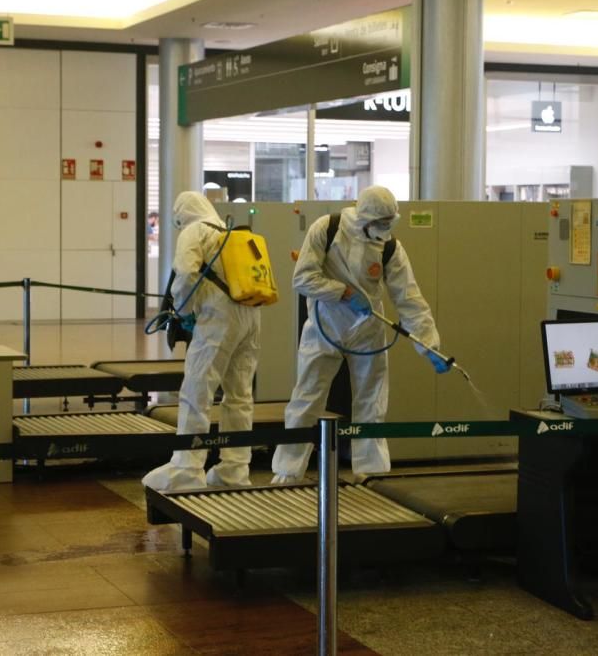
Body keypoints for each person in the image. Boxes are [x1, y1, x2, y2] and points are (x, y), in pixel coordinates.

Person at [271, 185, 449, 484]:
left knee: (372, 401)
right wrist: (342, 292)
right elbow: (302, 279)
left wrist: (430, 345)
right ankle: (287, 470)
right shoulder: (327, 229)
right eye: (381, 223)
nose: (385, 229)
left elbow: (409, 298)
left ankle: (371, 473)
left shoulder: (390, 247)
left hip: (368, 329)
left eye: (389, 222)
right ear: (364, 217)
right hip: (324, 326)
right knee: (306, 398)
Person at [142, 192, 261, 492]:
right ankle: (234, 469)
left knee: (197, 390)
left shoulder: (194, 230)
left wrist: (182, 313)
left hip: (218, 319)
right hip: (250, 315)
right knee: (239, 394)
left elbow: (184, 274)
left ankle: (187, 469)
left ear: (183, 215)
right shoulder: (229, 231)